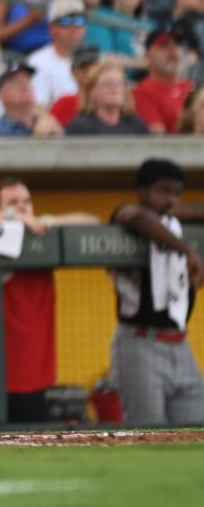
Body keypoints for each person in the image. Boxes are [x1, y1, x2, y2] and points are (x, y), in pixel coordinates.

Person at [0, 178, 98, 423]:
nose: (23, 207)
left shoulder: (42, 238)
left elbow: (92, 222)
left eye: (27, 202)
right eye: (13, 202)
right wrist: (11, 217)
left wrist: (48, 222)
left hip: (34, 380)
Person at [108, 159, 204, 425]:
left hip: (180, 341)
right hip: (140, 341)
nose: (171, 200)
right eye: (163, 192)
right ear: (142, 191)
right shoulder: (128, 217)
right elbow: (134, 216)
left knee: (192, 435)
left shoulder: (176, 224)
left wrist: (188, 211)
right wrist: (186, 249)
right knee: (147, 436)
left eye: (176, 193)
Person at [132, 27, 195, 134]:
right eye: (164, 46)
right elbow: (159, 138)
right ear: (147, 55)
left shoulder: (193, 87)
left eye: (177, 45)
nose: (173, 51)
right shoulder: (141, 92)